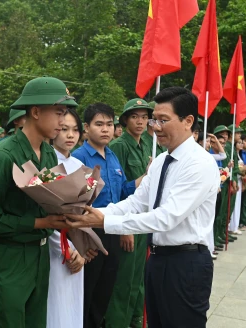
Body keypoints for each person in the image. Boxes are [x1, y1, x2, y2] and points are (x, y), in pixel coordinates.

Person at [65, 87, 219, 328]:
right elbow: (136, 202)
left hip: (186, 263)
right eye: (154, 119)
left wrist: (103, 221)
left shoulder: (199, 164)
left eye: (163, 120)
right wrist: (97, 214)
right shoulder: (160, 162)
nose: (155, 127)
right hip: (157, 259)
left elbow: (166, 218)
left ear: (188, 121)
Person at [0, 76, 78, 328]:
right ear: (35, 111)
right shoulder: (2, 156)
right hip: (9, 257)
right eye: (58, 112)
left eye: (64, 113)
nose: (63, 121)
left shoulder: (49, 153)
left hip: (40, 254)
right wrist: (40, 222)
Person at [72, 103, 144, 328]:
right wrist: (81, 240)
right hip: (89, 232)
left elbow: (123, 191)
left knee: (105, 289)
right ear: (86, 128)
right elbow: (73, 201)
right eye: (99, 124)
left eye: (109, 124)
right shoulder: (79, 157)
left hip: (111, 228)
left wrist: (144, 178)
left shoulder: (112, 156)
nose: (105, 129)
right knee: (87, 291)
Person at [107, 98, 153, 328]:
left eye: (145, 117)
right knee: (123, 281)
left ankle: (135, 320)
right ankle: (118, 323)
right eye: (135, 116)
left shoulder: (146, 144)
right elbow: (118, 190)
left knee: (138, 278)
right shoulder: (119, 146)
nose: (140, 121)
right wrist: (125, 227)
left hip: (142, 222)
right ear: (125, 120)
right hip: (126, 223)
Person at [47, 108, 86, 328]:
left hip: (76, 246)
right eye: (64, 129)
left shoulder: (80, 166)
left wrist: (80, 246)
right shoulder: (46, 162)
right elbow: (46, 210)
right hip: (56, 248)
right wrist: (64, 247)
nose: (70, 135)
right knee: (55, 304)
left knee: (73, 303)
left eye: (75, 130)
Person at [230, 139, 246, 235]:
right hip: (235, 179)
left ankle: (235, 225)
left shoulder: (239, 154)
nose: (241, 144)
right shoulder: (234, 154)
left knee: (237, 203)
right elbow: (235, 169)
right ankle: (232, 226)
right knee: (233, 204)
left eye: (241, 142)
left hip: (240, 179)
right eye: (239, 143)